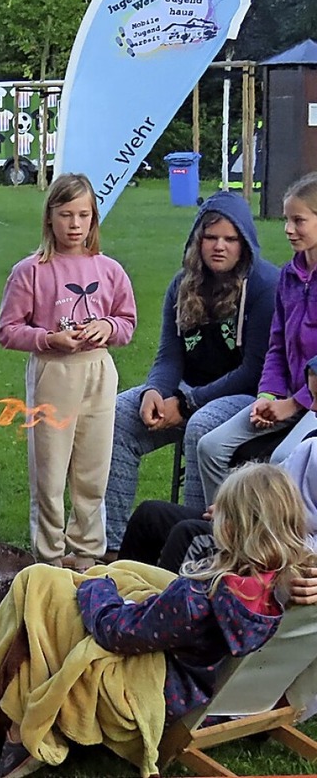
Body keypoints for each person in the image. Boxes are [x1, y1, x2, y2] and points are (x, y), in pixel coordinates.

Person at [0, 463, 313, 778]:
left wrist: (100, 588)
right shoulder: (276, 585)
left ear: (228, 529)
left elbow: (115, 631)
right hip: (195, 680)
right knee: (110, 574)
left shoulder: (198, 598)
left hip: (145, 693)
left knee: (37, 582)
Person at [103, 191, 279, 557]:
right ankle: (113, 544)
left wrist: (187, 403)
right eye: (210, 237)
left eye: (230, 239)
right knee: (119, 414)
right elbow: (170, 354)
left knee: (203, 428)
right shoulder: (183, 284)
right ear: (197, 239)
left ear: (245, 242)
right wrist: (156, 390)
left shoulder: (265, 287)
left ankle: (195, 546)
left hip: (246, 395)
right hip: (189, 391)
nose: (219, 247)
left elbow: (254, 371)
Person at [0, 173, 137, 570]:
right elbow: (7, 330)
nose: (75, 225)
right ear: (50, 218)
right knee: (51, 471)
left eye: (84, 215)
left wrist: (106, 327)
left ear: (94, 220)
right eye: (66, 215)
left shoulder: (109, 270)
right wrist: (46, 339)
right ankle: (50, 557)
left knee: (93, 468)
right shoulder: (31, 271)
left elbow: (126, 321)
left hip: (98, 373)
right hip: (53, 374)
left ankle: (88, 554)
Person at [119, 355, 317, 574]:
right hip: (259, 527)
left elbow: (298, 536)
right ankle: (121, 594)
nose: (313, 408)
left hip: (280, 549)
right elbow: (274, 490)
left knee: (189, 535)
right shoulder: (310, 445)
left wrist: (251, 521)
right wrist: (236, 507)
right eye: (312, 397)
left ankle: (169, 605)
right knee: (151, 515)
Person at [198, 173, 317, 505]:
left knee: (283, 463)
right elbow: (277, 345)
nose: (288, 229)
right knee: (211, 447)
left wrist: (294, 403)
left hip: (312, 402)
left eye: (299, 220)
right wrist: (267, 394)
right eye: (286, 220)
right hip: (287, 398)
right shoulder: (289, 277)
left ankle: (284, 551)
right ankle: (223, 542)